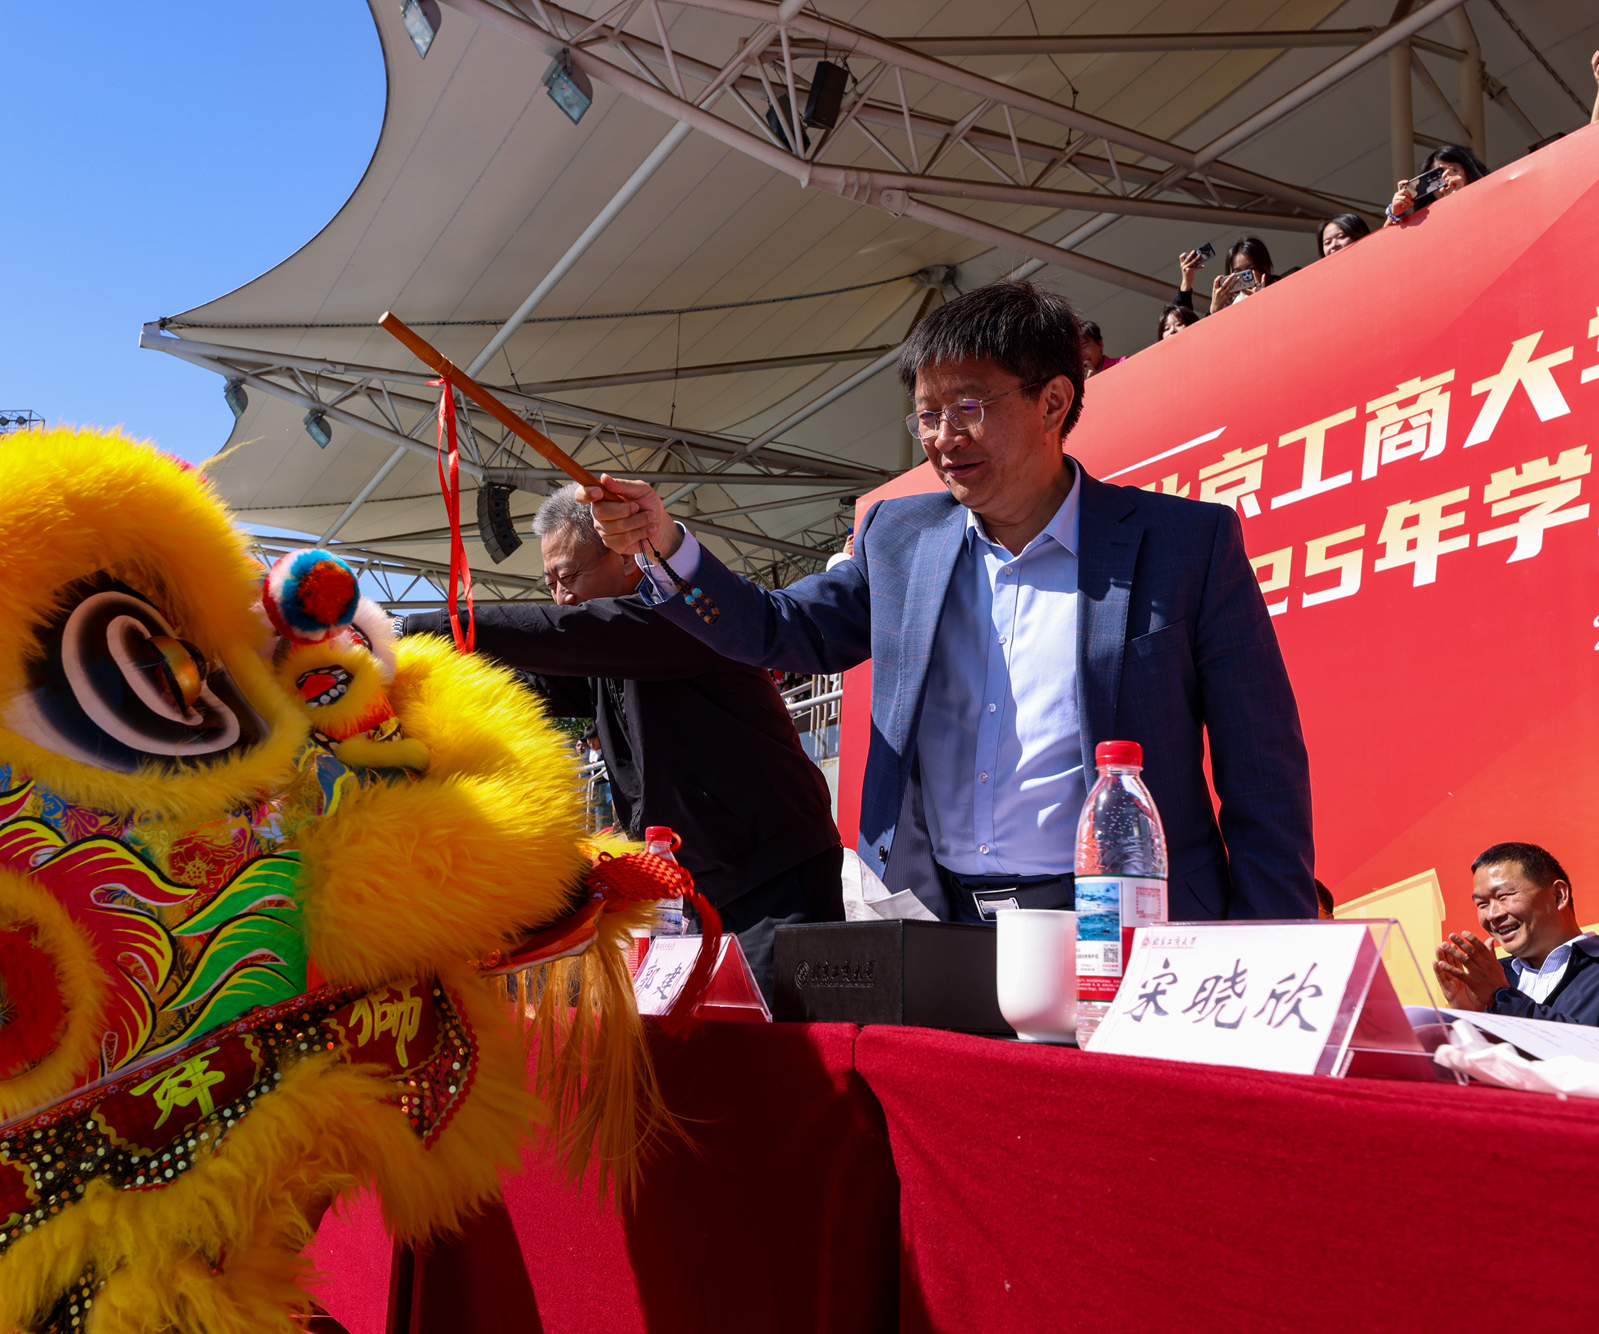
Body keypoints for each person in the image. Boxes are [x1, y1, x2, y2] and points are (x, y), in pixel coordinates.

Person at [583, 280, 1317, 923]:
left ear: (1053, 401)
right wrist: (664, 543)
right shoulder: (902, 540)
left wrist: (1272, 942)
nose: (941, 439)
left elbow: (1263, 769)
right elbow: (780, 628)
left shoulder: (1184, 545)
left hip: (1130, 924)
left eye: (967, 407)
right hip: (946, 927)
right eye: (926, 416)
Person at [397, 486, 843, 994]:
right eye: (551, 584)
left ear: (625, 558)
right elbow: (519, 682)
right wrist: (411, 677)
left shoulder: (684, 615)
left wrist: (418, 629)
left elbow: (562, 633)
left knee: (781, 1031)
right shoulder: (605, 654)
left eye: (569, 577)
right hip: (689, 891)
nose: (560, 598)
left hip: (773, 875)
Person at [1434, 842, 1597, 1024]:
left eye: (1503, 896)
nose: (1492, 914)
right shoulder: (1490, 979)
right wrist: (1471, 1018)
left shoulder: (1494, 986)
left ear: (1558, 895)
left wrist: (1502, 997)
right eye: (1482, 904)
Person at [1386, 144, 1489, 225]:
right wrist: (1395, 215)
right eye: (1435, 179)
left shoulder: (1492, 196)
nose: (1445, 179)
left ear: (1470, 170)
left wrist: (1462, 196)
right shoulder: (1427, 224)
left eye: (1453, 170)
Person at [1208, 236, 1274, 313]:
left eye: (1251, 269)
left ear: (1266, 267)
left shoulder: (1280, 290)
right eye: (1238, 273)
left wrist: (1263, 299)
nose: (1244, 278)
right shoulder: (1229, 306)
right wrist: (1215, 311)